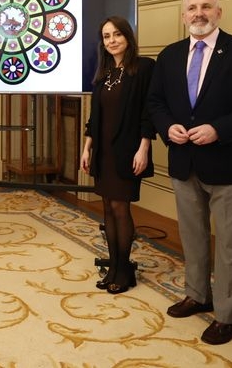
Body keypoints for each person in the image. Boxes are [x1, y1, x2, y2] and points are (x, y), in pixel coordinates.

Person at [147, 0, 232, 345]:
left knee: (231, 244)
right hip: (183, 161)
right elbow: (155, 103)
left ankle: (227, 315)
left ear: (219, 12)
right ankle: (197, 294)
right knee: (193, 236)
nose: (198, 13)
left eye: (206, 7)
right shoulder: (169, 56)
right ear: (183, 14)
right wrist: (166, 125)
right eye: (192, 8)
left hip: (227, 163)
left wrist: (219, 129)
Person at [80, 16, 155, 295]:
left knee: (121, 209)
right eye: (106, 36)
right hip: (103, 151)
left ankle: (125, 271)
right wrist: (87, 147)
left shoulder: (145, 68)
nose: (111, 41)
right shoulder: (103, 74)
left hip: (128, 150)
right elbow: (95, 116)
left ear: (128, 37)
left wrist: (144, 148)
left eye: (117, 35)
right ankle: (113, 267)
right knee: (108, 209)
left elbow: (149, 111)